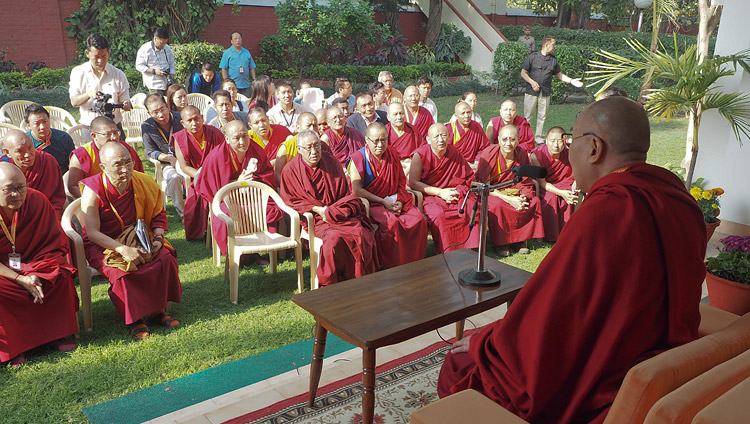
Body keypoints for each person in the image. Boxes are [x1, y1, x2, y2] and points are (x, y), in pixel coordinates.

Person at [437, 97, 707, 423]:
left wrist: (484, 343)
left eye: (571, 140)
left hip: (609, 373)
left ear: (594, 147)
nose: (568, 149)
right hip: (660, 358)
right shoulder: (677, 196)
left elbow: (550, 313)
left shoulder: (607, 210)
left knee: (460, 368)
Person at [80, 142, 182, 340]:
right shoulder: (92, 190)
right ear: (103, 167)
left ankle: (156, 310)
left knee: (164, 257)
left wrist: (159, 238)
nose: (125, 169)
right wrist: (122, 249)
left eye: (128, 162)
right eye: (118, 164)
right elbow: (92, 232)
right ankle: (135, 319)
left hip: (140, 236)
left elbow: (158, 214)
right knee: (123, 270)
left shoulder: (142, 181)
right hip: (103, 244)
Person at [0, 163, 78, 368]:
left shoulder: (37, 200)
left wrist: (34, 271)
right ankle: (16, 347)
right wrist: (20, 278)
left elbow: (52, 242)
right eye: (10, 189)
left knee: (58, 277)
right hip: (3, 270)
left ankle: (58, 334)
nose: (17, 194)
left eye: (21, 187)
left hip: (35, 261)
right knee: (3, 291)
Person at [280, 130, 377, 286]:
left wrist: (334, 211)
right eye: (309, 147)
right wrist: (318, 209)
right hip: (316, 219)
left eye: (317, 146)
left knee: (360, 232)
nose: (314, 152)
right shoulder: (290, 170)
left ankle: (357, 276)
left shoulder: (330, 162)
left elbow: (344, 192)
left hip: (337, 213)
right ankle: (332, 280)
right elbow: (291, 201)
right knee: (334, 238)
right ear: (299, 149)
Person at [194, 120, 282, 258]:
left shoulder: (256, 150)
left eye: (245, 136)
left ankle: (266, 246)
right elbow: (212, 188)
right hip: (226, 199)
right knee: (226, 215)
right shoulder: (217, 156)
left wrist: (252, 182)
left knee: (270, 208)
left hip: (252, 196)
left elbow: (267, 177)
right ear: (227, 139)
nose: (242, 142)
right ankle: (238, 255)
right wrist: (237, 183)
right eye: (236, 138)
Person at [349, 123, 427, 268]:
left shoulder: (392, 153)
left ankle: (414, 261)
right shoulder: (358, 158)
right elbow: (357, 190)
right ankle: (391, 265)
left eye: (384, 140)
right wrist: (383, 202)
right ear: (366, 140)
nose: (380, 144)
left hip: (394, 199)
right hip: (372, 203)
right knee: (391, 223)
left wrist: (400, 202)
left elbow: (400, 182)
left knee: (418, 219)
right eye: (376, 141)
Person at [474, 124, 544, 256]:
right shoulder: (488, 154)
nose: (508, 143)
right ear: (498, 139)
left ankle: (520, 241)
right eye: (504, 139)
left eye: (512, 139)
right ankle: (501, 243)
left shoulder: (521, 154)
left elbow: (526, 180)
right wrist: (510, 199)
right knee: (498, 205)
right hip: (493, 192)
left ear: (518, 140)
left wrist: (523, 196)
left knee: (533, 201)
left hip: (514, 190)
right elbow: (485, 186)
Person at [409, 124, 479, 253]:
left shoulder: (454, 153)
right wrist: (440, 192)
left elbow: (468, 177)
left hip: (453, 193)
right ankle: (447, 250)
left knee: (470, 206)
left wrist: (457, 191)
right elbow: (413, 183)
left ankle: (471, 248)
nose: (441, 139)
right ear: (428, 139)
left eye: (444, 135)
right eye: (436, 136)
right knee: (439, 215)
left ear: (449, 138)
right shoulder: (420, 155)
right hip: (431, 196)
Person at [173, 106, 225, 240]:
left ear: (202, 118)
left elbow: (223, 158)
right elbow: (184, 167)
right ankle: (201, 230)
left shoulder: (215, 133)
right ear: (183, 124)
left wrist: (210, 175)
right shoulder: (179, 138)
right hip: (195, 177)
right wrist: (201, 175)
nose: (194, 123)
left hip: (217, 175)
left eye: (196, 119)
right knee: (194, 199)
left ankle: (221, 225)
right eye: (189, 120)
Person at [521, 35, 583, 143]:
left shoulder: (553, 60)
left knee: (542, 116)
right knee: (528, 116)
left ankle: (539, 137)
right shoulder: (533, 57)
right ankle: (526, 137)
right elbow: (523, 73)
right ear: (546, 44)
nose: (554, 47)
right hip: (531, 92)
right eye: (553, 44)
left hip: (545, 93)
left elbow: (559, 75)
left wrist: (572, 81)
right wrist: (532, 82)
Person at [66, 116, 144, 199]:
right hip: (97, 200)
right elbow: (73, 187)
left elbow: (139, 177)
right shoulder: (82, 155)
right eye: (108, 134)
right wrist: (96, 199)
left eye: (116, 132)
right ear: (94, 135)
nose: (114, 137)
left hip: (128, 197)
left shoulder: (125, 149)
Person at [69, 34, 132, 128]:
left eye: (104, 56)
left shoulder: (118, 74)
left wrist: (127, 105)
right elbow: (74, 102)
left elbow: (126, 101)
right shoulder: (78, 73)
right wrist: (88, 94)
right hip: (89, 128)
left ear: (109, 53)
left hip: (114, 127)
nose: (100, 60)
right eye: (96, 57)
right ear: (87, 53)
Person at [2, 130, 66, 219]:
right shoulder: (2, 170)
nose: (28, 155)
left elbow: (57, 197)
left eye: (30, 147)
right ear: (7, 152)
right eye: (20, 151)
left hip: (46, 214)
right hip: (13, 220)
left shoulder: (47, 161)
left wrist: (49, 218)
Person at [530, 126, 578, 242]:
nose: (556, 145)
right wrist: (561, 193)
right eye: (552, 141)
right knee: (551, 198)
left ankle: (566, 234)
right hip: (545, 186)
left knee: (570, 197)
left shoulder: (571, 152)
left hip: (564, 183)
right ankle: (550, 236)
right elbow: (541, 182)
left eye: (560, 141)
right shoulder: (537, 155)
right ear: (546, 141)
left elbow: (579, 169)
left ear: (565, 141)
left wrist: (577, 182)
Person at [141, 94, 185, 218]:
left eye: (162, 109)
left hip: (187, 160)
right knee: (174, 177)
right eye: (155, 112)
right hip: (167, 163)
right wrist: (168, 158)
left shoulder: (179, 118)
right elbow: (150, 151)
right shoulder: (147, 126)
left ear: (167, 106)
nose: (160, 115)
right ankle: (183, 214)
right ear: (149, 113)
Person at [23, 103, 75, 173]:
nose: (42, 127)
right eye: (37, 123)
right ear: (28, 124)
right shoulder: (24, 142)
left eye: (45, 122)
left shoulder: (64, 137)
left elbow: (73, 164)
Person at [275, 112, 320, 187]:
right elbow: (277, 175)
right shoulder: (286, 147)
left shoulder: (321, 145)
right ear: (298, 128)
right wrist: (291, 190)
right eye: (308, 126)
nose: (312, 129)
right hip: (294, 189)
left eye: (315, 125)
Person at [385, 102, 425, 175]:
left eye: (401, 113)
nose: (399, 117)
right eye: (395, 114)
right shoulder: (385, 132)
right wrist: (403, 165)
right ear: (388, 117)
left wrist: (412, 164)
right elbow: (383, 156)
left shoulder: (412, 130)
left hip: (413, 166)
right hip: (393, 167)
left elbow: (423, 150)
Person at [446, 101, 490, 167]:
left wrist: (477, 161)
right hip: (454, 164)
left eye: (469, 112)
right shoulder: (449, 128)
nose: (466, 116)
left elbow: (483, 147)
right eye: (463, 113)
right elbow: (445, 151)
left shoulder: (476, 127)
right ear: (456, 115)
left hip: (473, 164)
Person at [135, 28, 175, 96]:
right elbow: (139, 66)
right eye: (161, 43)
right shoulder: (145, 49)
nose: (163, 45)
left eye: (165, 43)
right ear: (155, 38)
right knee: (158, 104)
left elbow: (171, 63)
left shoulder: (167, 48)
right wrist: (154, 71)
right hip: (154, 83)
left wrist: (171, 74)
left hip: (167, 82)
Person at [219, 31, 256, 97]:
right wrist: (226, 81)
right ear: (231, 41)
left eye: (239, 38)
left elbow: (252, 67)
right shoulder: (227, 53)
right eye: (235, 39)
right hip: (233, 86)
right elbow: (223, 68)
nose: (238, 40)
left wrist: (254, 79)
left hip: (246, 85)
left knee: (246, 103)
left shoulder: (246, 52)